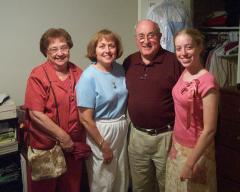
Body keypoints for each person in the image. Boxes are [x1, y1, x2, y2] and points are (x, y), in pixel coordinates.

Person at [25, 28, 88, 192]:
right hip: (47, 149)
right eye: (54, 49)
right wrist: (63, 137)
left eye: (64, 47)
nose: (60, 53)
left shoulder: (79, 73)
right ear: (46, 52)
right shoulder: (38, 75)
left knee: (71, 187)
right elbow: (35, 114)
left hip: (72, 148)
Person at [123, 19, 182, 192]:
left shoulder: (174, 62)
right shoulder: (129, 62)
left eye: (151, 35)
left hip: (166, 136)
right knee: (140, 187)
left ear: (160, 37)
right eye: (141, 36)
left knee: (167, 186)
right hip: (137, 137)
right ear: (136, 39)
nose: (146, 41)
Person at [165, 28, 219, 192]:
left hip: (196, 151)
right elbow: (180, 115)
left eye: (188, 47)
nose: (183, 53)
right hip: (178, 147)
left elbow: (210, 130)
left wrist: (190, 164)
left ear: (200, 47)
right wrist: (174, 145)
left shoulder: (207, 82)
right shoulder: (185, 72)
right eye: (178, 48)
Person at [76, 29, 129, 192]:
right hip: (101, 131)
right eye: (102, 46)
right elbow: (85, 119)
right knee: (103, 181)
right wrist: (103, 144)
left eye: (111, 46)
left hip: (121, 126)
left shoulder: (120, 70)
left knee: (121, 177)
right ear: (94, 50)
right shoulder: (88, 77)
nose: (107, 50)